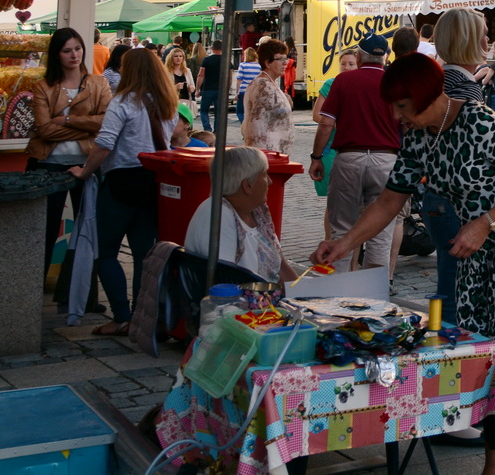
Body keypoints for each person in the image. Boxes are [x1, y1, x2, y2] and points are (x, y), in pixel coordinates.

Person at [313, 46, 495, 475]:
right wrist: (344, 244)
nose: (398, 117)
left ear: (422, 96)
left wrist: (485, 223)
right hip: (475, 251)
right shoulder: (419, 134)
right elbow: (389, 199)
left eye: (402, 107)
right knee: (482, 353)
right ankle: (488, 444)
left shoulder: (478, 121)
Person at [70, 48, 189, 337]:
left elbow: (105, 143)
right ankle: (140, 315)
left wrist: (85, 171)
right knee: (142, 255)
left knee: (107, 252)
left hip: (122, 182)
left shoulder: (122, 101)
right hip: (153, 181)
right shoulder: (167, 102)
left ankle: (121, 316)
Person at [414, 8, 490, 316]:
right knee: (457, 287)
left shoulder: (441, 79)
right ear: (469, 40)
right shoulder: (466, 89)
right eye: (483, 32)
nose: (488, 38)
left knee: (448, 280)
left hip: (434, 196)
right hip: (457, 202)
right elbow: (474, 153)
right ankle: (449, 353)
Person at [311, 34, 402, 274]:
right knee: (381, 232)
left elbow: (326, 123)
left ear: (359, 57)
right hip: (386, 161)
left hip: (349, 159)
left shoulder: (343, 81)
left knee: (341, 229)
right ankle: (375, 293)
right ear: (385, 57)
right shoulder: (396, 83)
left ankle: (339, 292)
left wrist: (316, 157)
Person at [26, 28, 112, 277]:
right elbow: (44, 130)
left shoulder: (99, 83)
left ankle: (83, 294)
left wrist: (66, 121)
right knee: (45, 230)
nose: (74, 55)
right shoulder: (43, 86)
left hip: (86, 163)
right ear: (57, 54)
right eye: (67, 50)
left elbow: (106, 123)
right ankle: (35, 288)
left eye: (77, 48)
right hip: (47, 163)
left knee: (89, 229)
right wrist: (87, 127)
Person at [185, 146, 300, 283]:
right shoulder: (218, 215)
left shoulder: (258, 211)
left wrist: (305, 296)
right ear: (247, 185)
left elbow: (281, 266)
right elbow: (224, 282)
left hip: (266, 298)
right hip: (241, 301)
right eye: (264, 174)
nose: (270, 181)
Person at [311, 50, 360, 209]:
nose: (346, 67)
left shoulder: (362, 84)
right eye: (343, 64)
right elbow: (317, 115)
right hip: (331, 147)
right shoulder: (330, 84)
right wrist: (337, 123)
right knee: (335, 201)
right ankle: (330, 235)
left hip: (356, 149)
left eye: (351, 64)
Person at [241, 40, 295, 154]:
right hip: (268, 156)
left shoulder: (269, 83)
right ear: (267, 63)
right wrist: (263, 158)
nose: (285, 62)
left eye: (285, 58)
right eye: (280, 59)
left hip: (275, 155)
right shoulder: (263, 86)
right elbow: (256, 126)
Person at [197, 40, 224, 134]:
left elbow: (201, 75)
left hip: (207, 88)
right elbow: (229, 77)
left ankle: (207, 128)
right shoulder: (226, 60)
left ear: (212, 48)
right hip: (221, 89)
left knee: (204, 110)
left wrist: (197, 89)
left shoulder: (206, 60)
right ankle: (216, 130)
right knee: (218, 112)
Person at [235, 46, 260, 122]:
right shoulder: (259, 66)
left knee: (240, 111)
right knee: (252, 110)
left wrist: (237, 92)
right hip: (255, 90)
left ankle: (244, 125)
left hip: (244, 90)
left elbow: (239, 79)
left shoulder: (243, 65)